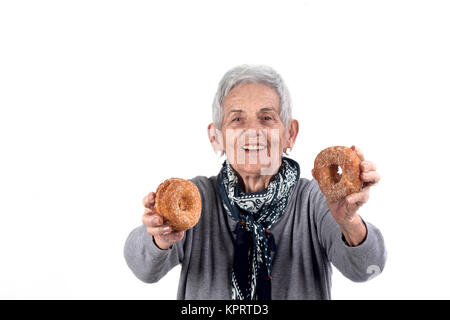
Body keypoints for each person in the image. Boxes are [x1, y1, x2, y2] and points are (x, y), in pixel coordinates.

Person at [124, 64, 386, 300]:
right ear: (216, 138)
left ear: (290, 135)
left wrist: (349, 222)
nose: (253, 130)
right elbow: (143, 269)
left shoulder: (315, 200)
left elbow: (367, 269)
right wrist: (160, 237)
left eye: (267, 117)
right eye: (237, 119)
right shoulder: (197, 198)